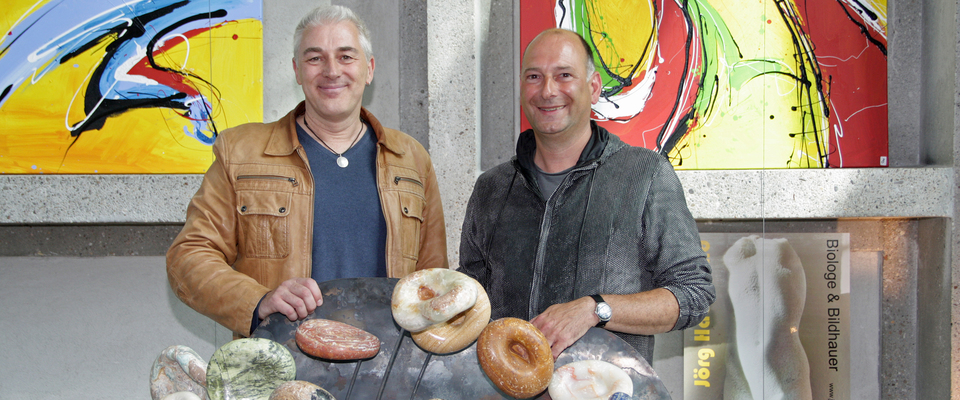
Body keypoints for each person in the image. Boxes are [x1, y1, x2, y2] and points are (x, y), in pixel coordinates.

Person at [167, 5, 447, 338]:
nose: (331, 71)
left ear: (369, 69)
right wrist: (258, 300)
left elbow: (434, 280)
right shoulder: (240, 153)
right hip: (282, 367)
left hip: (388, 370)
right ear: (297, 71)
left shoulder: (412, 159)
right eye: (315, 59)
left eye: (346, 57)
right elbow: (189, 255)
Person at [458, 28, 714, 363]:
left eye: (564, 75)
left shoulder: (644, 175)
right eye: (534, 76)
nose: (547, 90)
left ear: (593, 89)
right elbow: (470, 303)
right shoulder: (492, 188)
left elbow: (693, 293)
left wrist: (597, 309)